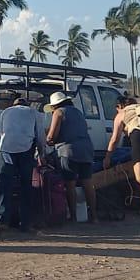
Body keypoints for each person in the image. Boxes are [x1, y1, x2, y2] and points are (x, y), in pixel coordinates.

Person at [0, 95, 44, 237]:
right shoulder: (34, 113)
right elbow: (40, 136)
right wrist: (42, 154)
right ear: (27, 104)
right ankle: (25, 224)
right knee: (26, 186)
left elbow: (2, 133)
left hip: (5, 150)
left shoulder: (6, 112)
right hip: (25, 149)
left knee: (4, 186)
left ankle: (1, 220)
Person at [45, 92, 98, 224]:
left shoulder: (58, 112)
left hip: (69, 151)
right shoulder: (78, 112)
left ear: (55, 105)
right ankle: (94, 216)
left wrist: (47, 140)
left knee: (70, 184)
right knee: (87, 184)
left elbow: (52, 136)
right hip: (86, 149)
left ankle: (73, 217)